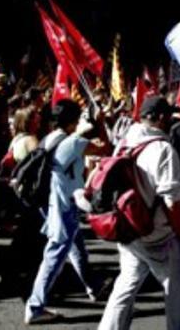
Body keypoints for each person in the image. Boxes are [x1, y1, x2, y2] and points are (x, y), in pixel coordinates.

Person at [98, 96, 180, 330]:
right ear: (161, 118)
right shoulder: (163, 149)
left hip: (128, 228)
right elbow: (171, 200)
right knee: (175, 289)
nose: (172, 119)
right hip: (157, 233)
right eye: (169, 116)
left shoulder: (126, 140)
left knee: (125, 284)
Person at [23, 99, 110, 325]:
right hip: (64, 204)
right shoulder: (73, 142)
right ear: (73, 121)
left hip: (51, 202)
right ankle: (35, 306)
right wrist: (100, 124)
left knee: (76, 246)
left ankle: (94, 287)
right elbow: (106, 149)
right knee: (55, 254)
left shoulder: (50, 138)